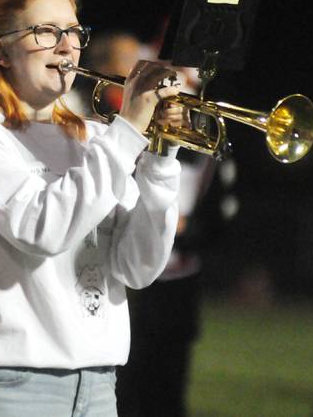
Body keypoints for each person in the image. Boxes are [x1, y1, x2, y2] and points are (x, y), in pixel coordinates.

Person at [0, 0, 186, 417]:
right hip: (7, 382)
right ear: (0, 50)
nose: (68, 46)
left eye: (73, 32)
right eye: (46, 32)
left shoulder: (95, 137)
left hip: (98, 382)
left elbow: (137, 266)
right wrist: (128, 130)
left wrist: (161, 160)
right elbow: (40, 229)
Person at [92, 29, 237, 417]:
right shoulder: (100, 117)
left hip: (176, 271)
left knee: (168, 383)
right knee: (128, 383)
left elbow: (208, 193)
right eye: (128, 59)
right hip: (120, 271)